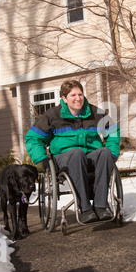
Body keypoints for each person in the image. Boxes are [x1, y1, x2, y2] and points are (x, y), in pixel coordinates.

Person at [25, 79, 120, 223]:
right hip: (64, 159)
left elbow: (113, 132)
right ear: (64, 98)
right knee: (76, 153)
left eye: (80, 94)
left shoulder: (95, 113)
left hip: (90, 156)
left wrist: (112, 153)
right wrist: (42, 159)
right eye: (73, 95)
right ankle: (85, 209)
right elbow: (33, 138)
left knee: (105, 152)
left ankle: (101, 206)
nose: (78, 98)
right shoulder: (53, 115)